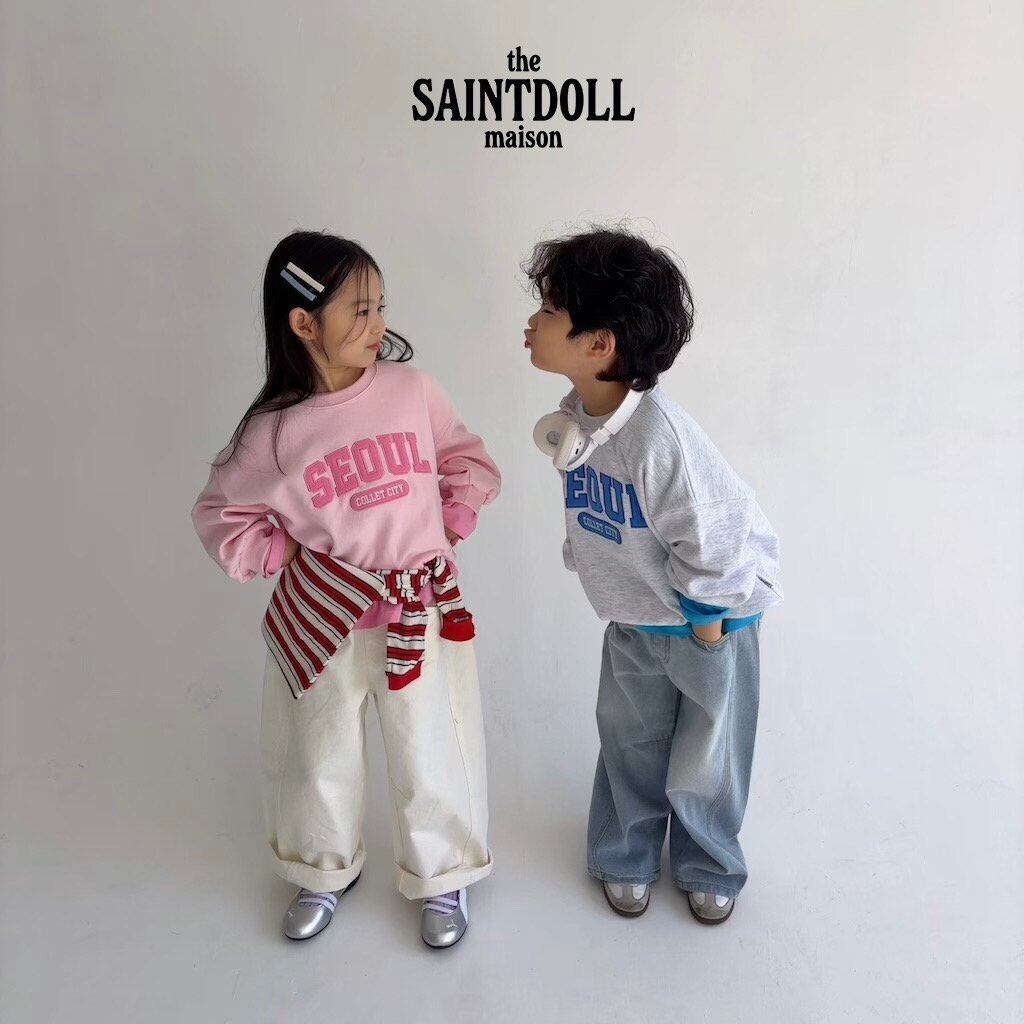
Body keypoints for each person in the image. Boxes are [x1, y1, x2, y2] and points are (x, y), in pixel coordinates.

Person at [192, 230, 500, 947]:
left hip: (419, 614)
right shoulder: (272, 432)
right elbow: (220, 515)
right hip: (323, 621)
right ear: (304, 323)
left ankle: (443, 875)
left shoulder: (411, 391)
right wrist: (282, 552)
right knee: (316, 755)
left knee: (432, 748)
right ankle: (321, 869)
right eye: (359, 311)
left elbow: (466, 456)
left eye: (381, 306)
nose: (378, 325)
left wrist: (453, 518)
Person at [525, 227, 782, 923]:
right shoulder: (578, 418)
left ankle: (709, 862)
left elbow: (714, 540)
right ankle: (625, 852)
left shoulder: (658, 439)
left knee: (707, 752)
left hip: (710, 620)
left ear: (599, 344)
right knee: (628, 739)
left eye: (548, 311)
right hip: (636, 615)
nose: (532, 323)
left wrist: (707, 629)